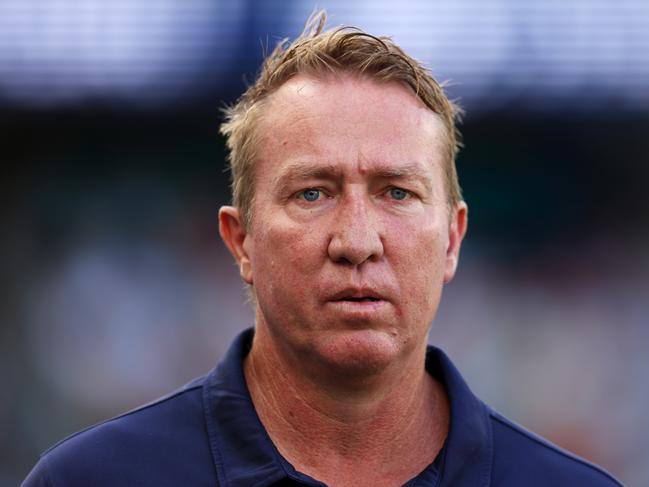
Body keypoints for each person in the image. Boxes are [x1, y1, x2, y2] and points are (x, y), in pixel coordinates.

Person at [23, 11, 623, 487]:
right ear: (242, 242)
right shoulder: (92, 479)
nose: (357, 242)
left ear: (452, 239)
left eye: (397, 192)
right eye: (313, 193)